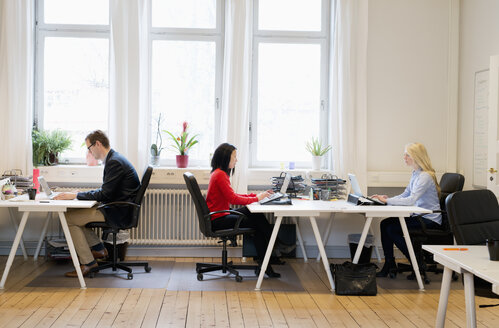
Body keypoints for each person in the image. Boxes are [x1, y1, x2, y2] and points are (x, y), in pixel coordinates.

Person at [54, 130, 140, 277]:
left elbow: (104, 194)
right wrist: (79, 194)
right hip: (118, 207)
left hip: (118, 211)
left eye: (89, 148)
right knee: (72, 215)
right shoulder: (114, 159)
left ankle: (88, 263)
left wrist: (75, 195)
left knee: (67, 218)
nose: (89, 152)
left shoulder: (114, 162)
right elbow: (107, 190)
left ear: (98, 144)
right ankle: (99, 250)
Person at [206, 143, 295, 278]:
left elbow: (233, 196)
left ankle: (271, 253)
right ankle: (271, 255)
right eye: (234, 157)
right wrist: (256, 198)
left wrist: (256, 196)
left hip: (220, 214)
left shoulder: (218, 173)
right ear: (226, 158)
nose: (236, 160)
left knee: (254, 215)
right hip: (218, 219)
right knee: (256, 221)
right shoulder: (220, 175)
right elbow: (233, 199)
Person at [371, 142, 441, 278]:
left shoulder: (425, 176)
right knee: (385, 224)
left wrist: (388, 201)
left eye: (407, 155)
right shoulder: (416, 173)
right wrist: (387, 199)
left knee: (391, 229)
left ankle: (417, 262)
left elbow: (411, 200)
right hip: (419, 216)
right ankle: (390, 264)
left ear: (416, 157)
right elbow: (405, 195)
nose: (404, 157)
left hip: (428, 219)